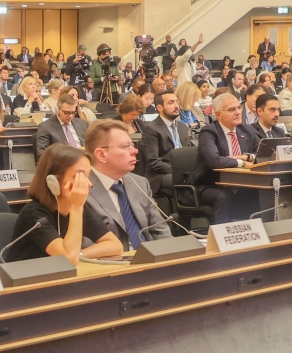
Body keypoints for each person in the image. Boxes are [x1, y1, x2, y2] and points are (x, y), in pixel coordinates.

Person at [6, 145, 123, 263]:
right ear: (53, 181)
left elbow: (116, 246)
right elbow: (69, 259)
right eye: (79, 176)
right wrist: (76, 208)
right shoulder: (33, 213)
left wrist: (80, 254)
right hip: (27, 274)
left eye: (87, 176)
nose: (88, 184)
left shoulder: (78, 207)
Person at [84, 120, 171, 251]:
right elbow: (84, 244)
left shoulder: (140, 183)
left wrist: (169, 255)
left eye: (132, 145)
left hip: (151, 256)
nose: (135, 151)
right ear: (101, 154)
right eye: (125, 146)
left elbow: (160, 229)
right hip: (112, 260)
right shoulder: (80, 190)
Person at [187, 93, 262, 223]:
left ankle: (256, 231)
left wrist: (248, 156)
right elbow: (214, 161)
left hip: (240, 183)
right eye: (232, 109)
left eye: (239, 108)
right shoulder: (209, 132)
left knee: (260, 193)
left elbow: (263, 153)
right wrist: (242, 162)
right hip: (210, 184)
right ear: (219, 114)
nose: (238, 112)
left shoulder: (247, 129)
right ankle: (223, 234)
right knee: (224, 197)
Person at [141, 91, 192, 198]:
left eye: (177, 102)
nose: (176, 106)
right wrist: (178, 171)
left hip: (182, 170)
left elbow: (189, 152)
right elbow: (153, 162)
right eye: (171, 102)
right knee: (182, 180)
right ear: (159, 108)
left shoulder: (182, 127)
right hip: (160, 175)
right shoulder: (151, 129)